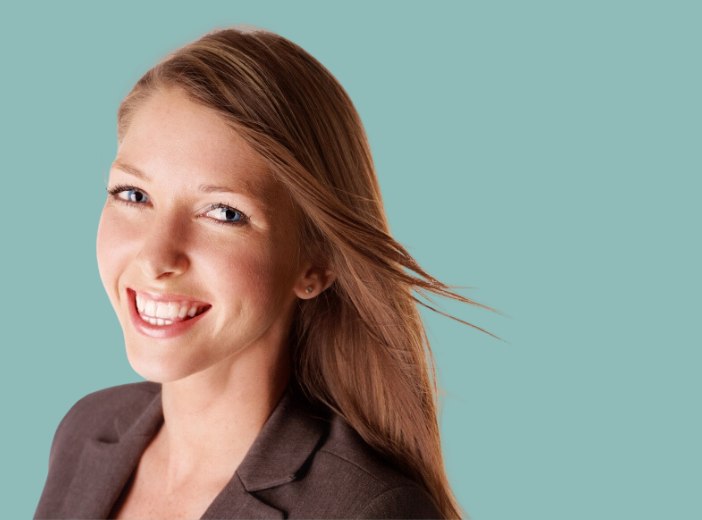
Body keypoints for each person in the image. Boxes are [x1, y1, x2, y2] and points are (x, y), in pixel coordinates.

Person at [34, 27, 498, 519]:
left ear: (315, 264)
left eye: (224, 213)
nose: (156, 257)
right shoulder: (85, 430)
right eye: (133, 194)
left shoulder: (365, 509)